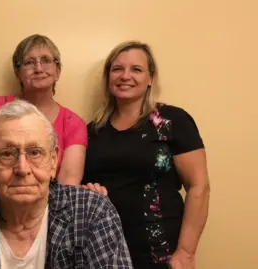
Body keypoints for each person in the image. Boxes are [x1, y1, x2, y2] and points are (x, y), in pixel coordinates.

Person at [0, 100, 133, 269]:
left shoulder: (92, 214)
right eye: (7, 154)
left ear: (54, 160)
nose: (22, 168)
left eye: (35, 152)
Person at [82, 41, 210, 269]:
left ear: (150, 78)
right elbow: (80, 188)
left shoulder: (172, 121)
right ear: (108, 76)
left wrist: (186, 252)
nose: (125, 76)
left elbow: (199, 186)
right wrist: (88, 192)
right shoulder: (92, 131)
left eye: (136, 69)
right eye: (117, 69)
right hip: (104, 251)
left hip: (161, 252)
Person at [0, 34, 88, 190]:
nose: (38, 68)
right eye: (29, 62)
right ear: (17, 72)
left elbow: (67, 187)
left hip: (47, 208)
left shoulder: (73, 124)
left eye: (46, 60)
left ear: (58, 71)